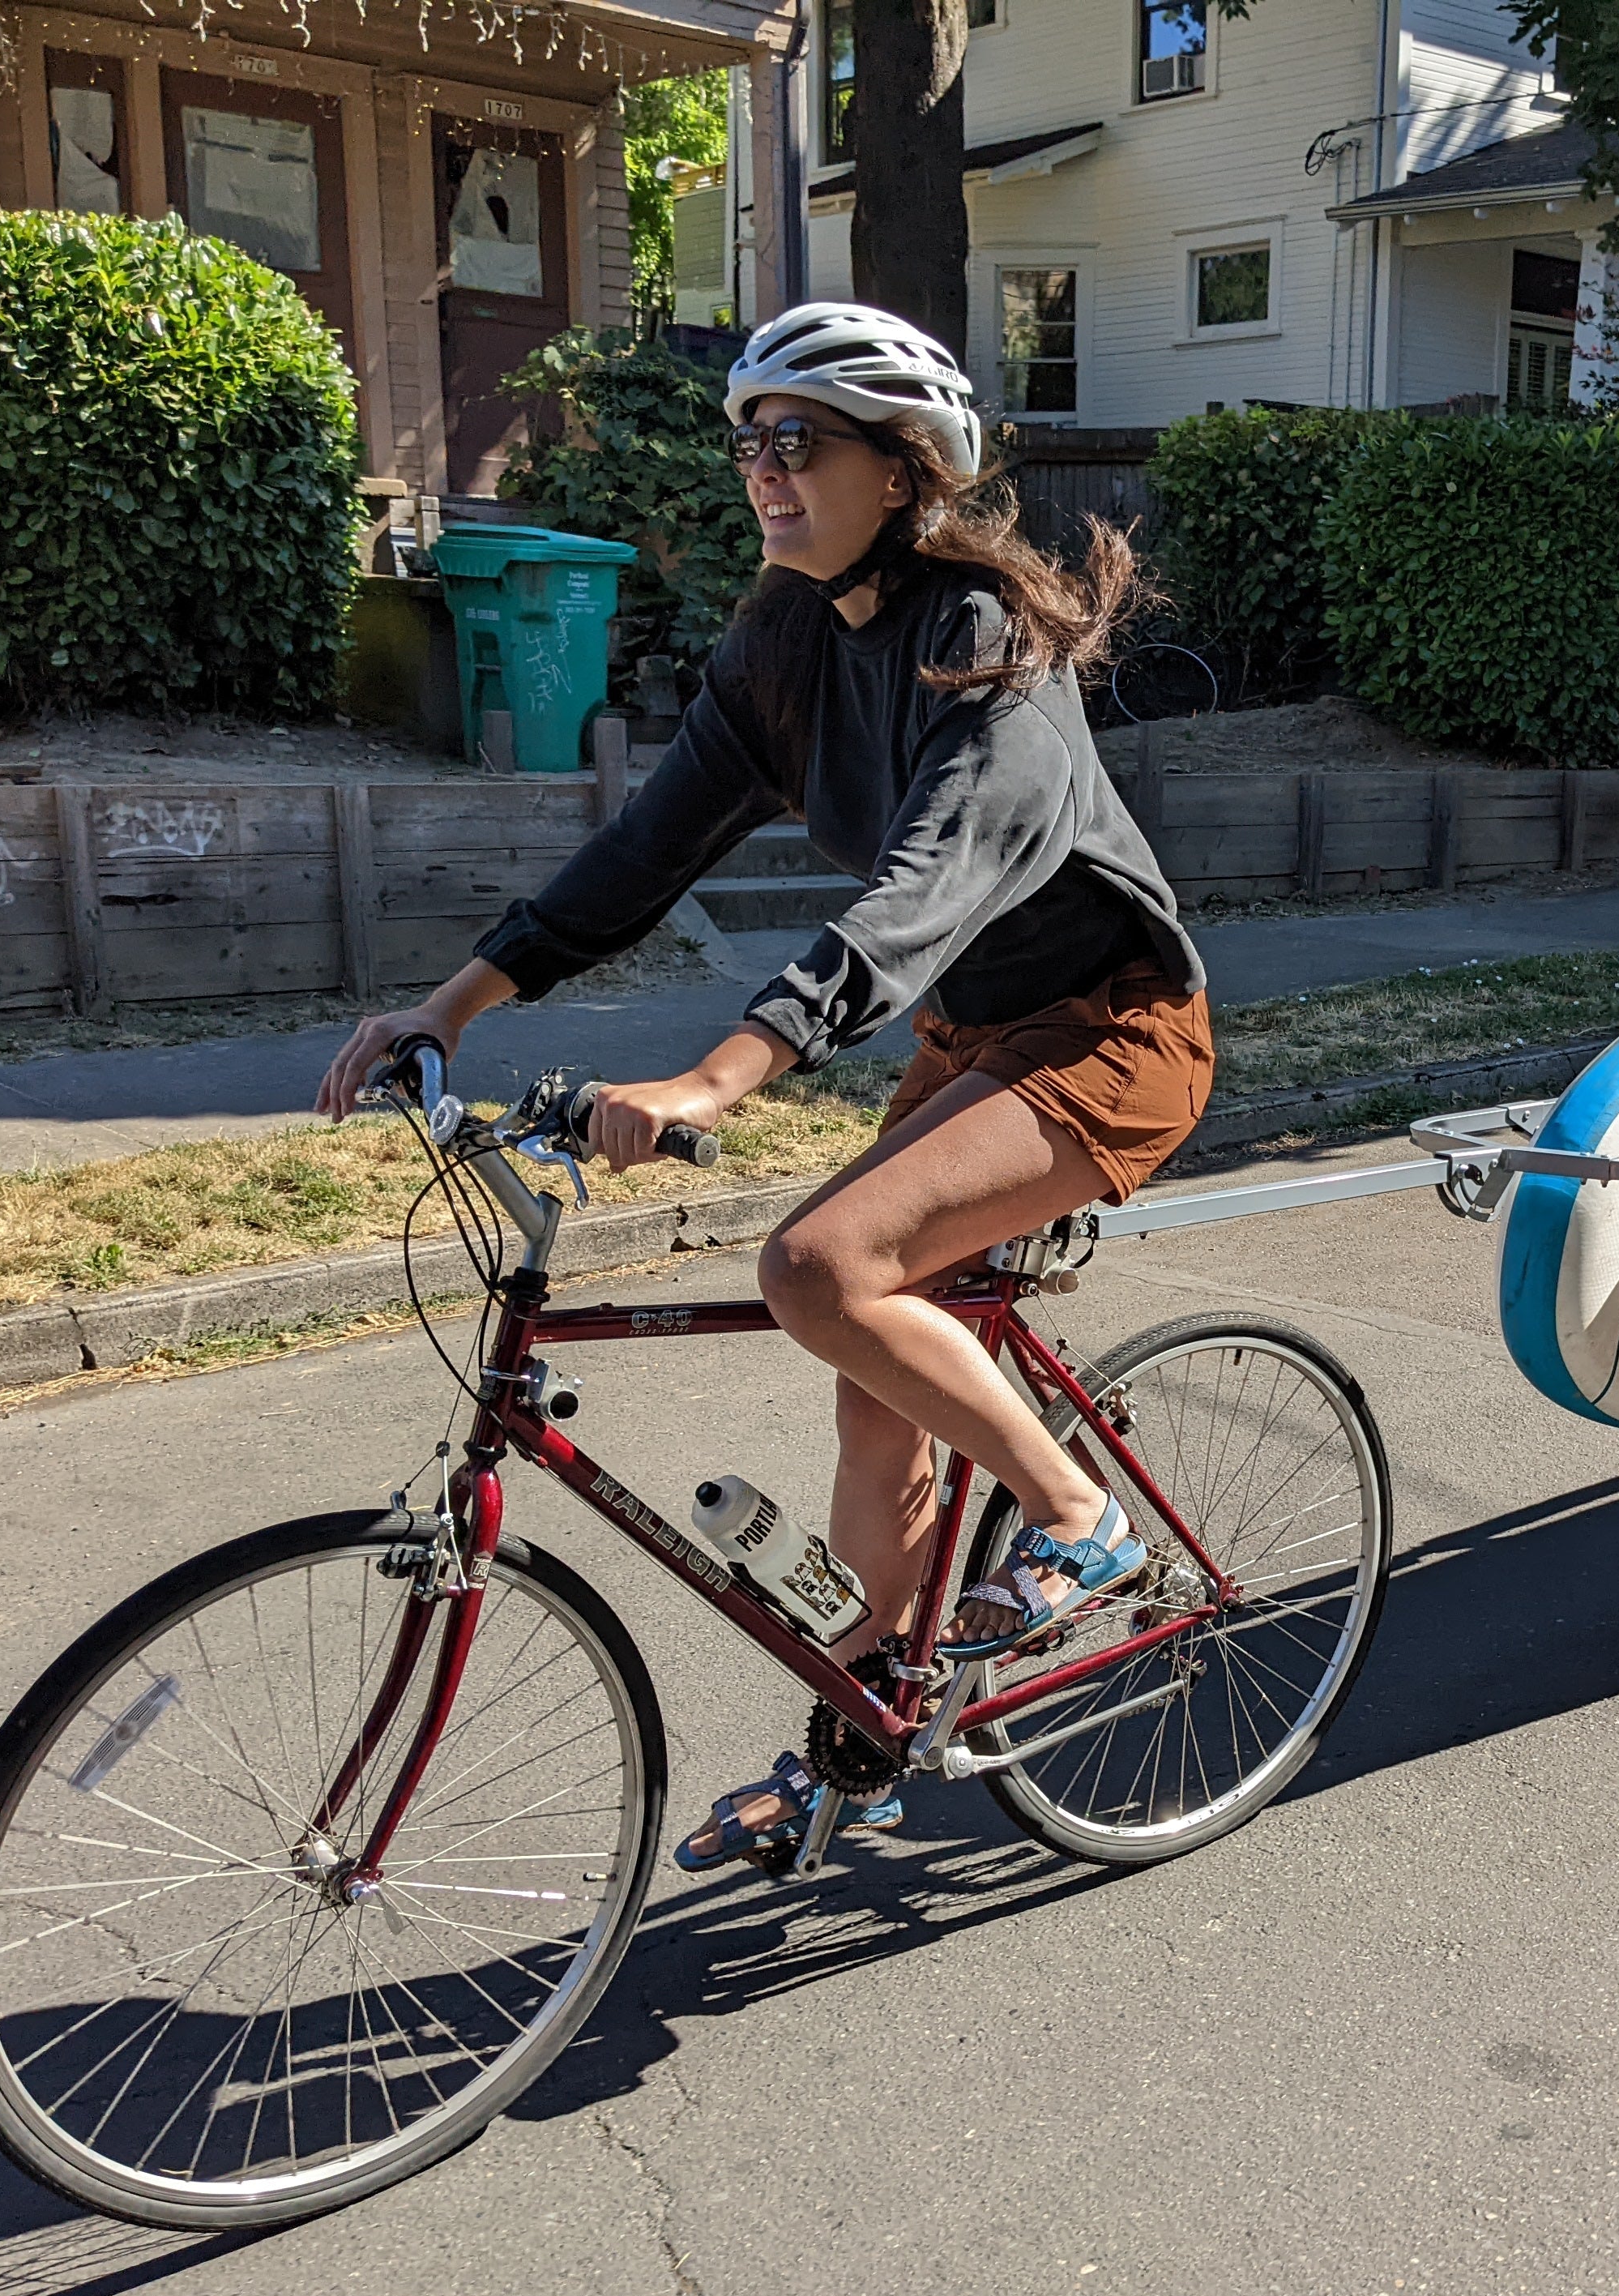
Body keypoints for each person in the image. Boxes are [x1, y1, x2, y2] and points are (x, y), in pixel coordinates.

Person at [313, 301, 1214, 1871]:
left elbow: (911, 904)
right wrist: (451, 1004)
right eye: (751, 443)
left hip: (1113, 1035)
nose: (763, 473)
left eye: (799, 442)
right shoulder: (789, 638)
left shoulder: (989, 655)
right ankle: (862, 1742)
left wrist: (720, 1079)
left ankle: (1084, 1521)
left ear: (905, 469)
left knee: (813, 1265)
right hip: (977, 1037)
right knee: (877, 1397)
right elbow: (646, 850)